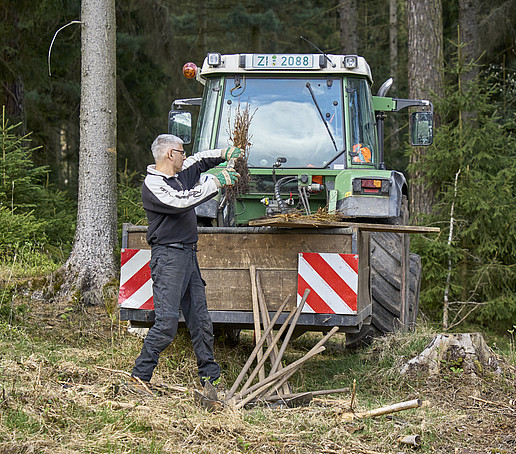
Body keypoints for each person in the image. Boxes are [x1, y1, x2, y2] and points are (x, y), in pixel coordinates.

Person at [131, 134, 242, 386]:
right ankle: (140, 377)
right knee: (167, 324)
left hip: (188, 256)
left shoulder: (178, 176)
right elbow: (182, 202)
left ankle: (210, 380)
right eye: (181, 152)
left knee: (200, 320)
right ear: (170, 154)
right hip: (168, 259)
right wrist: (216, 182)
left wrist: (225, 153)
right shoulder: (154, 185)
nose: (184, 156)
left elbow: (199, 161)